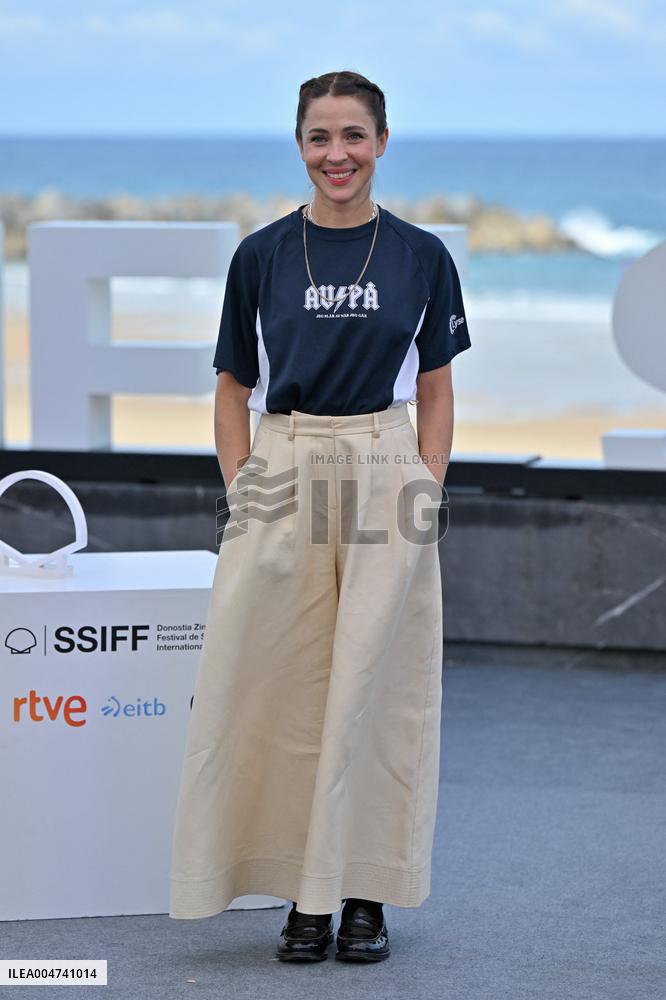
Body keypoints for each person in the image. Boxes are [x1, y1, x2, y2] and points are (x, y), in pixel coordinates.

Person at [169, 70, 472, 964]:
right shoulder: (261, 255)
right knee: (271, 683)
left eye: (353, 136)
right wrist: (242, 486)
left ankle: (366, 893)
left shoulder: (421, 255)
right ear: (298, 145)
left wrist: (427, 480)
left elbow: (436, 383)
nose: (336, 154)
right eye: (318, 138)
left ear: (381, 142)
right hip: (287, 464)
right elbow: (233, 386)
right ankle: (301, 893)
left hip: (384, 463)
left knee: (381, 687)